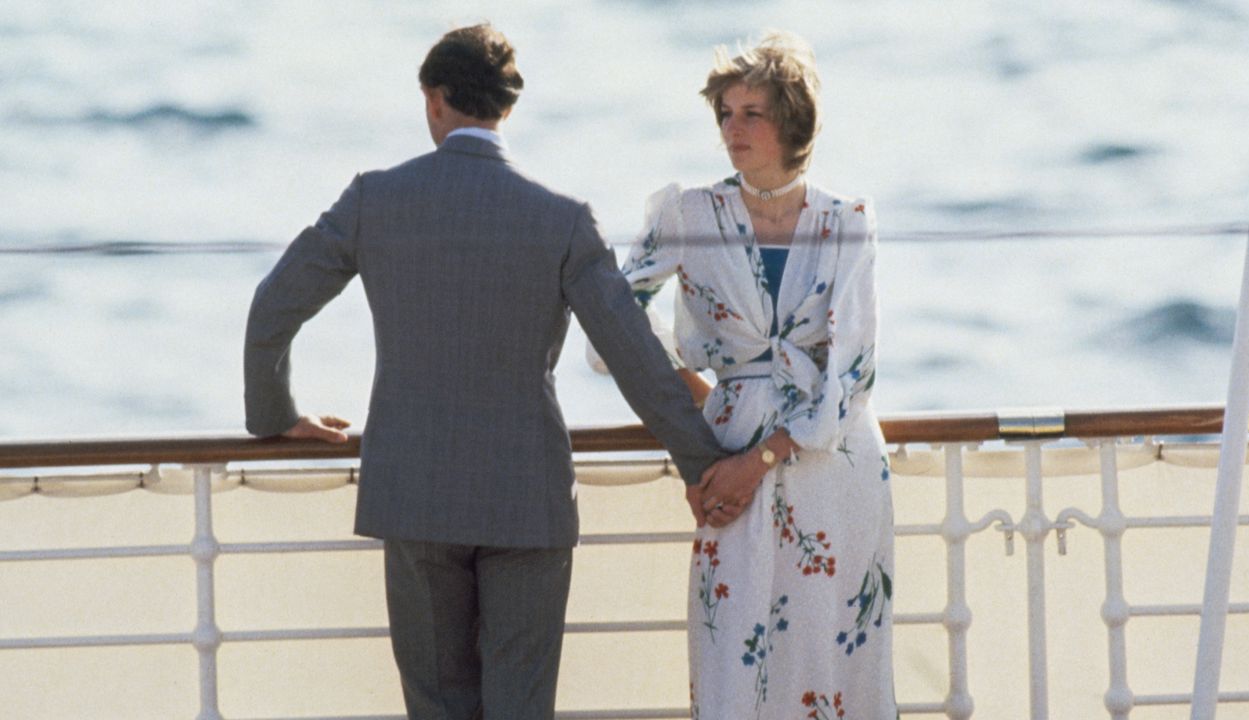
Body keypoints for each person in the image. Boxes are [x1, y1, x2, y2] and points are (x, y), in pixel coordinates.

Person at [242, 24, 754, 720]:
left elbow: (273, 308)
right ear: (507, 109)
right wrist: (705, 466)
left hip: (414, 493)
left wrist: (276, 417)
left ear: (434, 101)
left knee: (439, 706)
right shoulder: (564, 220)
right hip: (528, 501)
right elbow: (637, 360)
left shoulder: (373, 199)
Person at [607, 32, 897, 718]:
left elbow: (854, 368)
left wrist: (766, 454)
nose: (732, 129)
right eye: (724, 113)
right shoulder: (690, 213)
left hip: (834, 463)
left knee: (834, 647)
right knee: (733, 652)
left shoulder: (846, 222)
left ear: (792, 122)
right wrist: (693, 391)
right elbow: (615, 316)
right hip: (727, 448)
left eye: (751, 113)